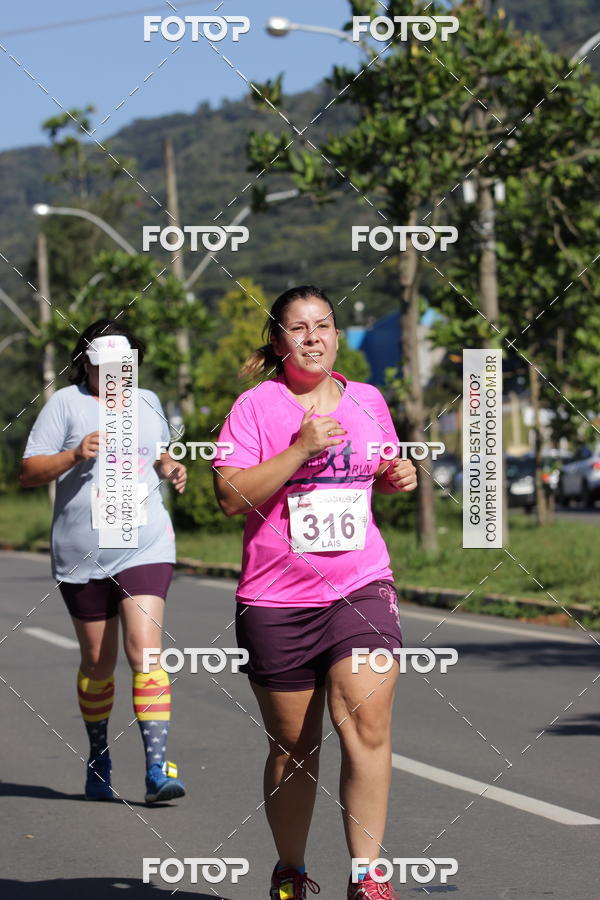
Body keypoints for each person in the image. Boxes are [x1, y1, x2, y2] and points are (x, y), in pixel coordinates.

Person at [213, 286, 417, 900]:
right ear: (279, 342)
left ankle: (368, 877)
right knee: (294, 748)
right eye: (298, 329)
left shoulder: (369, 400)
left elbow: (381, 468)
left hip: (360, 586)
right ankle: (292, 870)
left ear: (336, 333)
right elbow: (229, 496)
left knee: (366, 721)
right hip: (277, 599)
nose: (313, 337)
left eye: (323, 325)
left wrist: (395, 476)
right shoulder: (256, 408)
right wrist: (300, 448)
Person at [20, 319, 187, 805]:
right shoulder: (65, 404)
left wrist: (172, 467)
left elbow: (159, 455)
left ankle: (157, 768)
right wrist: (73, 454)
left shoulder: (148, 402)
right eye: (102, 368)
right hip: (82, 552)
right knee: (99, 661)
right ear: (85, 364)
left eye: (122, 368)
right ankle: (99, 756)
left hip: (144, 544)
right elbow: (29, 471)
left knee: (145, 651)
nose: (113, 377)